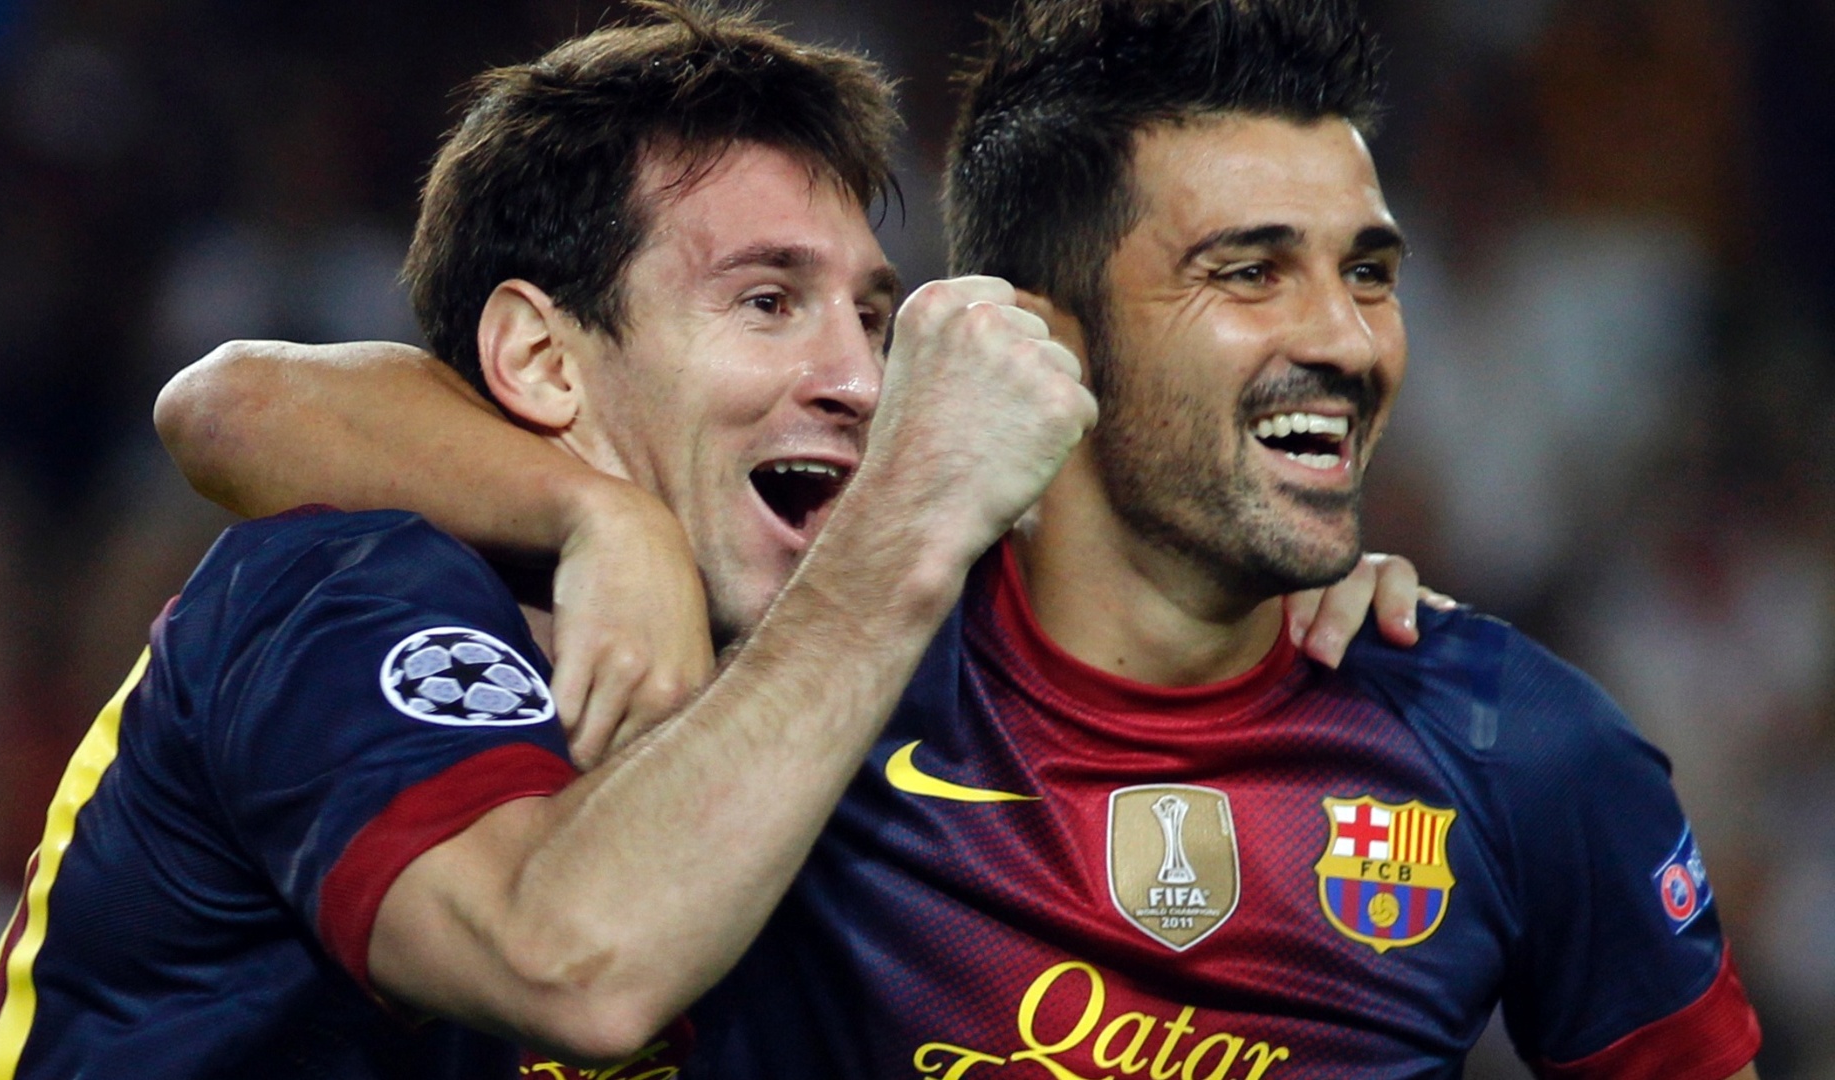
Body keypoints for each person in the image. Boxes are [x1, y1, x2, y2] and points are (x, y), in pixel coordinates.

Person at [154, 1, 1767, 1077]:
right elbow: (236, 403)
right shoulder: (799, 657)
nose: (1344, 338)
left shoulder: (1505, 736)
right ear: (1033, 345)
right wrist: (600, 514)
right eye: (1248, 272)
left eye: (1368, 272)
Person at [0, 8, 1107, 1077]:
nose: (861, 379)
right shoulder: (344, 595)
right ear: (544, 361)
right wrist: (662, 520)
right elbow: (570, 963)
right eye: (766, 302)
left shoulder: (825, 684)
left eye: (870, 316)